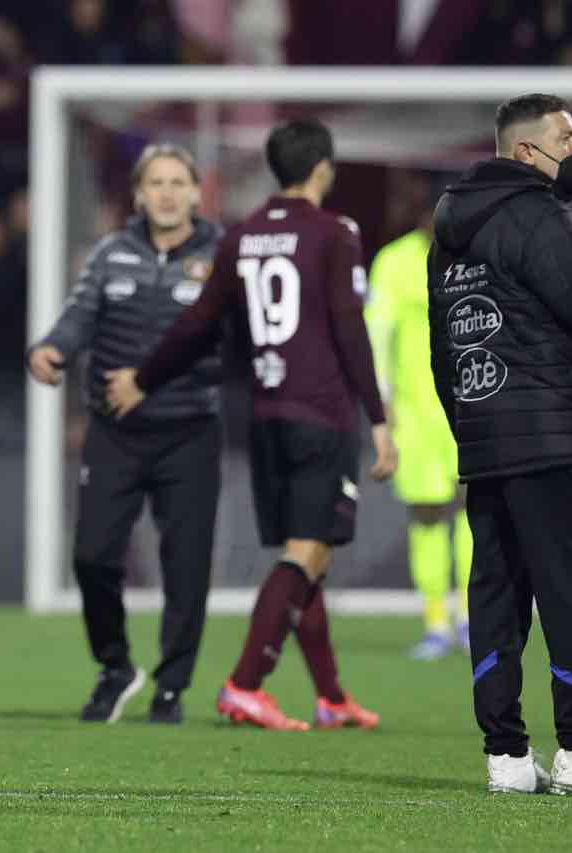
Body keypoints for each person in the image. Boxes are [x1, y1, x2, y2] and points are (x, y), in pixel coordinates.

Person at [105, 119, 396, 731]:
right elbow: (349, 328)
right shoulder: (336, 232)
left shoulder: (243, 235)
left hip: (265, 417)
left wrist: (142, 377)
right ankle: (243, 684)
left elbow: (197, 326)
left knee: (308, 559)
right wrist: (379, 416)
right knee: (306, 552)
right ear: (322, 168)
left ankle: (331, 696)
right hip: (321, 414)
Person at [427, 93, 572, 795]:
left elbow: (445, 349)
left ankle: (505, 756)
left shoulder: (450, 232)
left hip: (486, 437)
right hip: (556, 433)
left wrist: (470, 425)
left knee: (498, 594)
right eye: (567, 135)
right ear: (526, 152)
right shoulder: (538, 213)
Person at [27, 143, 224, 724]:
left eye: (176, 182)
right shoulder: (113, 252)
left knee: (186, 565)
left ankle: (172, 687)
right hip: (115, 432)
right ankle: (115, 666)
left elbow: (230, 343)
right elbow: (80, 312)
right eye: (155, 183)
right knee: (91, 556)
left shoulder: (221, 255)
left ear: (195, 192)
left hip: (190, 432)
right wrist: (51, 348)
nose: (166, 193)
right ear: (138, 194)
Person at [366, 191, 473, 660]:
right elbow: (376, 332)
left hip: (473, 405)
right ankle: (435, 621)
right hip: (415, 414)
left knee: (477, 512)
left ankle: (472, 617)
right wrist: (382, 400)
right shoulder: (393, 262)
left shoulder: (483, 253)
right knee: (428, 514)